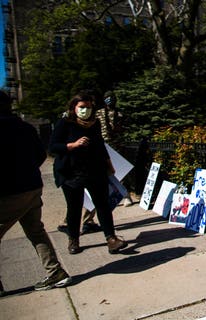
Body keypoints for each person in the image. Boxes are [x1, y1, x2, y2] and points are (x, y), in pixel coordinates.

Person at [0, 90, 72, 294]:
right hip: (31, 187)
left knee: (35, 231)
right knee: (35, 230)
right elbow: (41, 155)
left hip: (8, 192)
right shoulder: (25, 128)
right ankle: (55, 271)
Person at [49, 93, 127, 255]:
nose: (85, 111)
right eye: (81, 108)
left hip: (95, 170)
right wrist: (72, 145)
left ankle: (111, 239)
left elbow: (100, 144)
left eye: (88, 107)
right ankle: (73, 240)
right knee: (74, 207)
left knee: (103, 205)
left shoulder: (95, 123)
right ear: (74, 108)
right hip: (72, 173)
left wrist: (109, 164)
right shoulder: (65, 123)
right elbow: (53, 146)